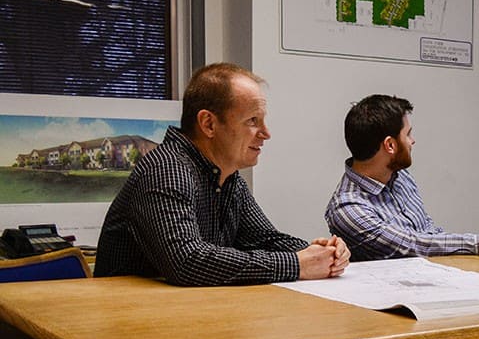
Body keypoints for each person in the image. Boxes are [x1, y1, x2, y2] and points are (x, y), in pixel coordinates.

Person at [95, 63, 350, 286]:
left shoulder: (228, 178)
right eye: (252, 121)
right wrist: (296, 264)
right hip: (130, 318)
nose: (266, 133)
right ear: (208, 124)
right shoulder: (167, 169)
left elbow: (264, 239)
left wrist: (321, 253)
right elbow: (187, 261)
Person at [325, 94, 479, 261]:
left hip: (433, 277)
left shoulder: (398, 175)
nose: (413, 141)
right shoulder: (348, 208)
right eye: (408, 134)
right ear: (390, 145)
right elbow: (415, 245)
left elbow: (430, 233)